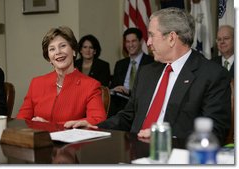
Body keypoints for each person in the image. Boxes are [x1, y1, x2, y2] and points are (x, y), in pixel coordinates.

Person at [91, 7, 231, 145]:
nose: (148, 42)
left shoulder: (212, 75)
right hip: (134, 151)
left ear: (171, 38)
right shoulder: (146, 72)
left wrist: (164, 137)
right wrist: (94, 129)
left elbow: (215, 131)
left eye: (152, 35)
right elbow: (129, 116)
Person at [17, 26, 107, 128]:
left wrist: (51, 126)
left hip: (73, 143)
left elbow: (98, 119)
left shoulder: (91, 85)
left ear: (73, 50)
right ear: (49, 58)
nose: (58, 52)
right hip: (38, 142)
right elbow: (21, 120)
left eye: (63, 46)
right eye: (52, 49)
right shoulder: (36, 83)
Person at [108, 27, 154, 117]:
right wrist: (115, 89)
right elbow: (112, 87)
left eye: (133, 41)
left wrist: (129, 92)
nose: (130, 45)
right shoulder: (120, 64)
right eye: (127, 42)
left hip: (141, 105)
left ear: (141, 41)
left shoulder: (151, 62)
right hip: (120, 105)